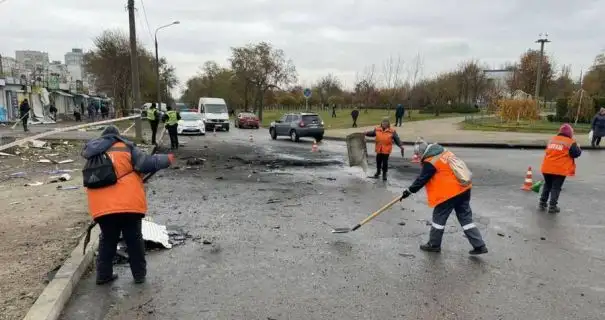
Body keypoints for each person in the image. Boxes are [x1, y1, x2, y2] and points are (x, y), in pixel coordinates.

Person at [82, 125, 174, 285]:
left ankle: (103, 275)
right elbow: (146, 163)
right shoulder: (125, 147)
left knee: (108, 239)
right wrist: (166, 159)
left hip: (101, 207)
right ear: (117, 136)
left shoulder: (92, 153)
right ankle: (139, 275)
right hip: (128, 204)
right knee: (134, 239)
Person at [400, 140, 488, 255]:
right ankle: (479, 245)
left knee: (438, 218)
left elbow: (421, 180)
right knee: (466, 219)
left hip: (449, 193)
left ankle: (434, 244)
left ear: (422, 152)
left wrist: (408, 191)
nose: (417, 157)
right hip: (464, 188)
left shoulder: (431, 161)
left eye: (418, 154)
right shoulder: (444, 152)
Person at [539, 123, 582, 213]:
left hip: (547, 167)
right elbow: (576, 153)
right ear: (570, 133)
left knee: (547, 185)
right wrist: (578, 147)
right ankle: (552, 206)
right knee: (556, 187)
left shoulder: (552, 140)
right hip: (559, 169)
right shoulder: (570, 142)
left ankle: (542, 202)